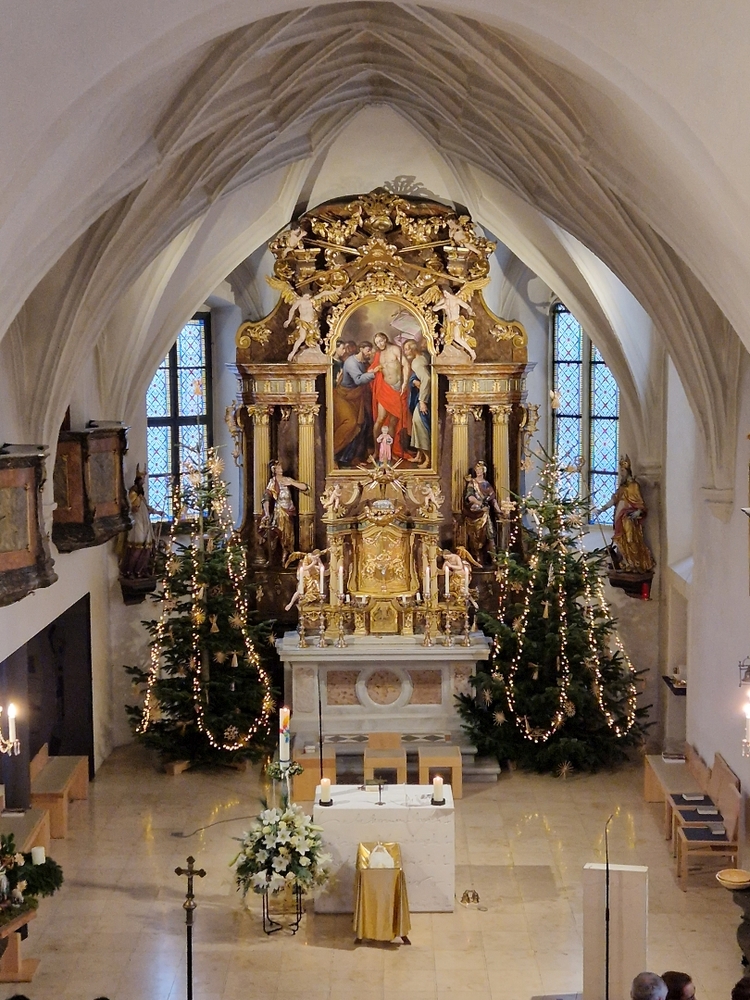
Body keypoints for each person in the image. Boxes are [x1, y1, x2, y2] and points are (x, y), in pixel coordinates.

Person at [598, 454, 655, 573]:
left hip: (629, 517)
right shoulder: (622, 487)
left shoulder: (634, 486)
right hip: (620, 517)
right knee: (621, 540)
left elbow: (640, 502)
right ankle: (627, 562)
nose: (622, 474)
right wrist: (601, 509)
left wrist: (638, 511)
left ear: (628, 471)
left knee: (631, 539)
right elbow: (614, 500)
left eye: (623, 471)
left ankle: (636, 563)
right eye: (621, 471)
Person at [333, 340, 379, 466]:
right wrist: (373, 373)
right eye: (368, 350)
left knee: (361, 425)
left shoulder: (362, 362)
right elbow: (358, 380)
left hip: (356, 397)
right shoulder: (351, 362)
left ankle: (351, 458)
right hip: (344, 396)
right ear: (361, 349)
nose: (370, 353)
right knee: (350, 423)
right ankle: (333, 454)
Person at [369, 331, 410, 459]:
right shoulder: (378, 355)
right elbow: (372, 369)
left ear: (385, 339)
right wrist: (373, 370)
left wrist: (405, 383)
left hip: (397, 388)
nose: (380, 344)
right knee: (380, 419)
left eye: (381, 341)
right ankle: (377, 451)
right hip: (385, 389)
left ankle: (390, 452)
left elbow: (406, 365)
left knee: (393, 421)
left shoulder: (395, 349)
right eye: (377, 343)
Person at [260, 460, 309, 563]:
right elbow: (266, 497)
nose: (281, 469)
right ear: (274, 470)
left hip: (289, 511)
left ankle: (286, 555)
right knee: (278, 533)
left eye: (281, 467)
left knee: (288, 535)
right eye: (278, 468)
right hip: (279, 511)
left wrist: (292, 483)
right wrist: (267, 513)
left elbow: (305, 487)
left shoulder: (287, 479)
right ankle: (274, 557)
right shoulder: (273, 482)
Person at [120, 467, 157, 578]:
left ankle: (140, 570)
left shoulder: (141, 493)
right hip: (137, 522)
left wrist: (157, 512)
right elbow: (127, 506)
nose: (144, 481)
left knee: (147, 548)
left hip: (145, 522)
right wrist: (132, 509)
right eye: (142, 479)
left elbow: (146, 506)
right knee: (137, 547)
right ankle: (129, 570)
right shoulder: (133, 493)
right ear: (138, 479)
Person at [463, 460, 503, 563]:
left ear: (484, 471)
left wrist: (498, 510)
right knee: (476, 536)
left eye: (480, 469)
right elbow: (470, 497)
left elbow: (492, 499)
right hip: (475, 512)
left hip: (485, 513)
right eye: (477, 469)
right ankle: (477, 556)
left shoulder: (486, 484)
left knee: (490, 534)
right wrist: (480, 504)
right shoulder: (472, 483)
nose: (478, 471)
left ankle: (494, 558)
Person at [403, 338, 430, 467]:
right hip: (421, 396)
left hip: (423, 398)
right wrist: (413, 380)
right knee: (415, 423)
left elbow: (427, 378)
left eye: (407, 349)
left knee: (419, 423)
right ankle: (419, 456)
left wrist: (422, 401)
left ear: (413, 349)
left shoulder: (417, 362)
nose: (405, 352)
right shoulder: (423, 357)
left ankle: (428, 459)